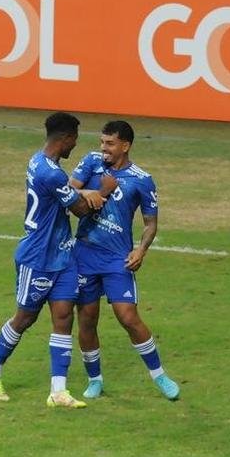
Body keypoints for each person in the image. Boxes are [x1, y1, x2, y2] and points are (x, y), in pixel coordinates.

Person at [0, 112, 114, 409]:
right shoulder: (51, 173)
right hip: (37, 256)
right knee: (25, 318)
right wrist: (103, 190)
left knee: (64, 316)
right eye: (74, 140)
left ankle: (58, 390)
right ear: (65, 138)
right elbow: (81, 210)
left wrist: (84, 191)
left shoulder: (40, 162)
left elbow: (66, 194)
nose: (75, 146)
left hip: (63, 255)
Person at [70, 120, 179, 401]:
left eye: (109, 143)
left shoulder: (142, 179)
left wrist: (141, 250)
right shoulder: (91, 163)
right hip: (84, 253)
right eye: (102, 143)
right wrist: (92, 192)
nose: (103, 149)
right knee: (87, 319)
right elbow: (67, 193)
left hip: (117, 258)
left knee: (128, 317)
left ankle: (160, 376)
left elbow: (151, 223)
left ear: (125, 146)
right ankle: (95, 380)